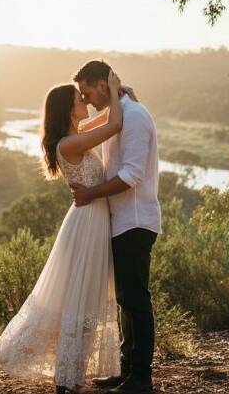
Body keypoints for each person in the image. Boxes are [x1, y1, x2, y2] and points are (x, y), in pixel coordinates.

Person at [0, 70, 130, 394]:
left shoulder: (76, 135)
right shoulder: (70, 144)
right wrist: (112, 88)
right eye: (80, 98)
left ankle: (71, 376)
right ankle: (67, 379)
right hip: (87, 223)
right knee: (80, 300)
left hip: (91, 219)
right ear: (68, 109)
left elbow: (106, 119)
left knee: (85, 298)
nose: (86, 102)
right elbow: (114, 125)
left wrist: (120, 95)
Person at [70, 60, 161, 394]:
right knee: (125, 299)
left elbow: (131, 175)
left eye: (87, 92)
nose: (86, 99)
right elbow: (81, 127)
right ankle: (126, 370)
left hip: (135, 221)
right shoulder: (119, 113)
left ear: (102, 85)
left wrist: (90, 193)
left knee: (136, 300)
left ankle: (141, 377)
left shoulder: (134, 117)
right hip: (120, 221)